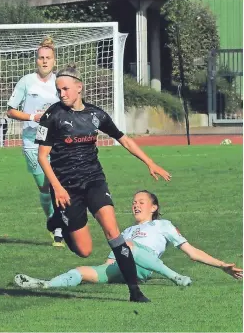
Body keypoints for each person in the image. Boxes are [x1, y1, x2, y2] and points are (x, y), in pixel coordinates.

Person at [34, 64, 173, 303]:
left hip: (94, 181)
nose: (62, 94)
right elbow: (42, 157)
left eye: (66, 89)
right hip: (67, 188)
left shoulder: (96, 115)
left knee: (113, 232)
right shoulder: (51, 116)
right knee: (84, 251)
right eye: (59, 90)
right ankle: (58, 221)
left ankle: (135, 292)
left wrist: (150, 163)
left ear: (79, 87)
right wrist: (56, 187)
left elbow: (124, 139)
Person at [14, 190, 243, 289]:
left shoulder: (163, 225)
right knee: (80, 270)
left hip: (142, 267)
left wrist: (222, 265)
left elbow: (192, 252)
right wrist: (103, 269)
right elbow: (111, 257)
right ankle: (45, 284)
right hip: (120, 267)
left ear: (154, 207)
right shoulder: (126, 231)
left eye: (141, 202)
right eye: (134, 202)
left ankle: (177, 277)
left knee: (127, 247)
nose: (135, 204)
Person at [7, 37, 64, 248]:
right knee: (44, 186)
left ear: (54, 61)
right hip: (33, 141)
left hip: (57, 142)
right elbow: (10, 110)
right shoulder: (26, 82)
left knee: (59, 183)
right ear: (36, 61)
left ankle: (59, 229)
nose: (44, 61)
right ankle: (52, 218)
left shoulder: (60, 83)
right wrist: (32, 117)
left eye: (48, 58)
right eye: (41, 58)